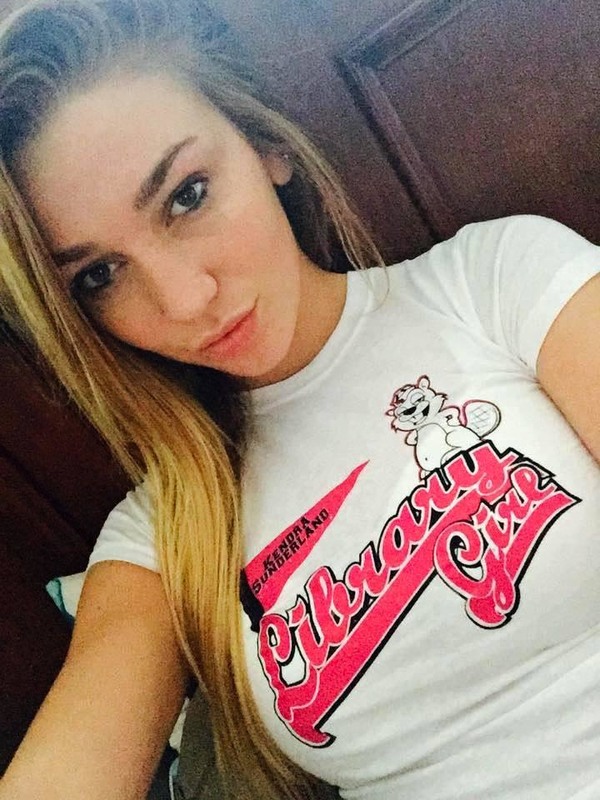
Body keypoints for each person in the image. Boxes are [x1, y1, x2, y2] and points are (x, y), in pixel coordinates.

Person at [0, 1, 598, 799]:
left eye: (187, 194)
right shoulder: (164, 535)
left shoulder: (494, 282)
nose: (185, 300)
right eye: (99, 276)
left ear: (267, 144)